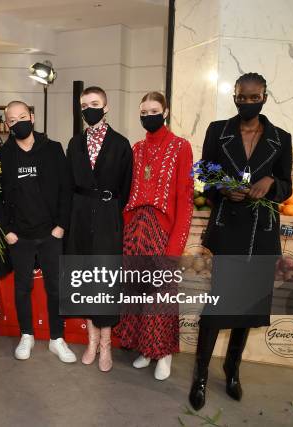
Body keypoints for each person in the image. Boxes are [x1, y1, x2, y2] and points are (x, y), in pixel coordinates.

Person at [188, 73, 293, 410]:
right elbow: (203, 171)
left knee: (248, 308)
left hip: (261, 232)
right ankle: (201, 375)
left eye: (254, 97)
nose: (248, 102)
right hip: (229, 230)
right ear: (235, 95)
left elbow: (287, 186)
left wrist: (271, 182)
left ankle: (232, 369)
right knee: (218, 308)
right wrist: (223, 187)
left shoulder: (281, 138)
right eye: (242, 97)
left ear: (265, 96)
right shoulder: (218, 130)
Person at [114, 91, 194, 381]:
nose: (148, 116)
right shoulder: (136, 149)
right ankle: (145, 350)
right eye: (144, 111)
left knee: (161, 295)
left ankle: (164, 353)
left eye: (154, 110)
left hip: (162, 230)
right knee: (136, 294)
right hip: (135, 228)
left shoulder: (181, 147)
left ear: (166, 112)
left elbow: (185, 199)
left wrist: (175, 245)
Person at [0, 101, 75, 363]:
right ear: (7, 125)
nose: (18, 122)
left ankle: (56, 338)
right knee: (22, 288)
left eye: (22, 117)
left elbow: (66, 188)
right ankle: (26, 335)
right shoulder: (2, 156)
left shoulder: (53, 149)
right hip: (20, 236)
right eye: (12, 120)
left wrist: (61, 225)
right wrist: (6, 230)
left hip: (51, 233)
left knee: (55, 288)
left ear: (32, 117)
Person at [66, 86, 133, 372]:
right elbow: (68, 183)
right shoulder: (74, 142)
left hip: (108, 216)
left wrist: (113, 215)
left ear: (105, 108)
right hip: (80, 217)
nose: (89, 109)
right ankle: (91, 340)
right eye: (84, 105)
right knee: (85, 279)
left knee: (105, 281)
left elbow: (127, 187)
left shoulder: (120, 143)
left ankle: (106, 344)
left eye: (94, 104)